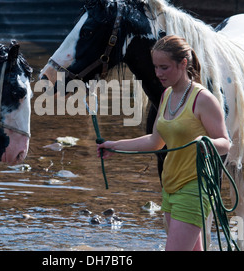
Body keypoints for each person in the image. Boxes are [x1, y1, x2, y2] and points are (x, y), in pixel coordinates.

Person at [97, 35, 230, 251]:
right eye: (156, 67)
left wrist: (206, 142)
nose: (158, 73)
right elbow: (155, 142)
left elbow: (226, 142)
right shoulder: (166, 95)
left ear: (183, 64)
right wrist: (114, 145)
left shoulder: (203, 99)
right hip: (169, 187)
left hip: (194, 189)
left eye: (164, 67)